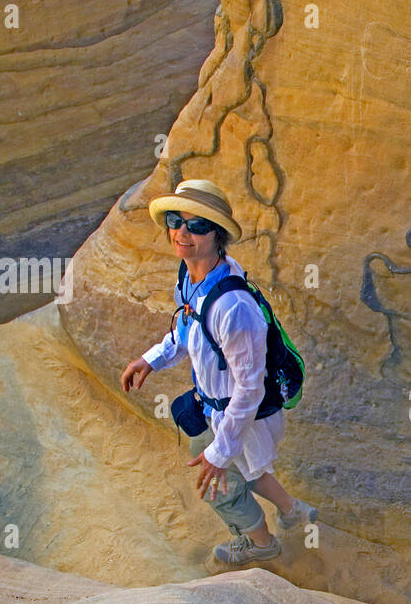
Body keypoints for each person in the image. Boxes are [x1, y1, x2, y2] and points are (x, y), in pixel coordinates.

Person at [121, 179, 316, 565]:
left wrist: (219, 451)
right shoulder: (191, 277)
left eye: (197, 226)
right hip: (224, 410)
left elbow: (249, 389)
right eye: (176, 221)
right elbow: (186, 329)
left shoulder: (234, 308)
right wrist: (151, 359)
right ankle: (295, 512)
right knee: (249, 468)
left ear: (218, 234)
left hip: (246, 415)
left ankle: (263, 545)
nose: (181, 232)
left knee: (217, 483)